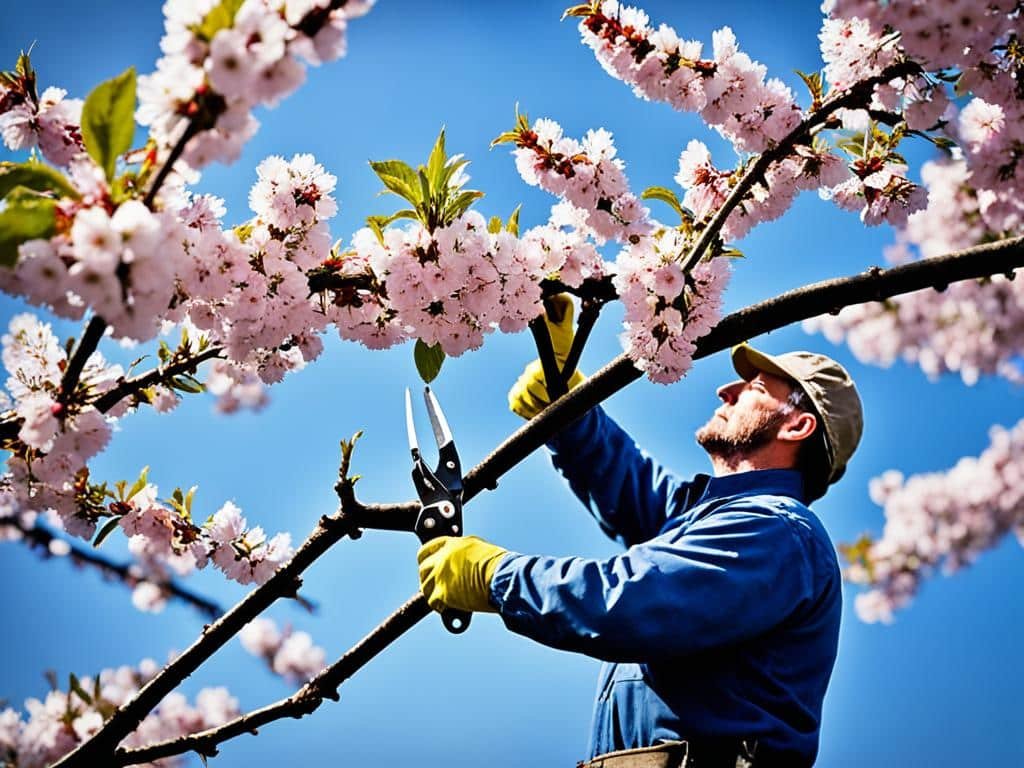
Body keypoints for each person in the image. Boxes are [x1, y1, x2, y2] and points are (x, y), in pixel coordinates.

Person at [417, 296, 864, 768]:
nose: (725, 391)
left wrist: (496, 576)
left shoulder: (776, 531)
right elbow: (628, 487)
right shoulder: (710, 519)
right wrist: (567, 402)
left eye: (754, 387)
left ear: (797, 424)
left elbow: (633, 599)